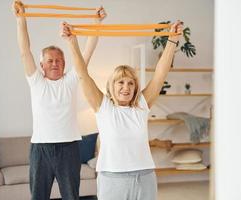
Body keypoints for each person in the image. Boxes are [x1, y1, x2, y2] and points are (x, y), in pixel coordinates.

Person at [62, 21, 183, 200]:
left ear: (135, 87)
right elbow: (82, 74)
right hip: (112, 179)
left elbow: (160, 74)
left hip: (144, 177)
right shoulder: (103, 106)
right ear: (112, 85)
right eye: (121, 82)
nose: (126, 87)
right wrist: (72, 42)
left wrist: (172, 40)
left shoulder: (141, 105)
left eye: (130, 83)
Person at [12, 1, 106, 200]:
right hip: (40, 149)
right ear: (41, 64)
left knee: (71, 196)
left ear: (64, 64)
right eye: (50, 60)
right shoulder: (36, 81)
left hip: (69, 148)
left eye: (59, 60)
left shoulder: (71, 80)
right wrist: (21, 19)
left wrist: (96, 22)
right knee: (38, 196)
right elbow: (24, 51)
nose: (55, 63)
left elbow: (87, 52)